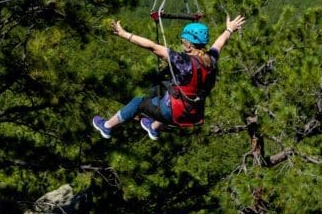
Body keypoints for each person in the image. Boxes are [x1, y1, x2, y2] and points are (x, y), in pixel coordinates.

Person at [92, 14, 245, 141]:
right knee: (170, 86)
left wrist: (124, 34)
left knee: (138, 102)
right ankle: (153, 128)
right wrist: (229, 29)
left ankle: (107, 127)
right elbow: (219, 43)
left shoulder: (183, 61)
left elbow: (152, 46)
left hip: (173, 113)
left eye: (183, 41)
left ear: (190, 44)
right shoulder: (211, 59)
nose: (182, 43)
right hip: (194, 115)